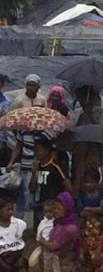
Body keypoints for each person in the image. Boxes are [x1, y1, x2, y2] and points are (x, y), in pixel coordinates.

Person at [8, 75, 47, 227]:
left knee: (37, 191)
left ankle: (36, 223)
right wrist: (12, 161)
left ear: (38, 87)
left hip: (39, 163)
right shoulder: (18, 101)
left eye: (34, 85)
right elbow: (17, 145)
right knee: (24, 192)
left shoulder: (43, 131)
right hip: (26, 163)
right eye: (28, 85)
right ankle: (24, 224)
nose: (31, 88)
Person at [31, 137, 71, 227]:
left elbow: (68, 186)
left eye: (38, 151)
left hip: (51, 206)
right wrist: (34, 173)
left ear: (47, 151)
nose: (36, 154)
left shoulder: (56, 166)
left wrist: (59, 201)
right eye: (35, 151)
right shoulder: (37, 167)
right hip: (39, 204)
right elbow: (31, 188)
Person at [76, 169, 103, 272]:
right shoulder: (81, 194)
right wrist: (95, 209)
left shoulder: (102, 193)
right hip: (85, 228)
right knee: (85, 254)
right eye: (86, 182)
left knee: (96, 253)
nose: (88, 185)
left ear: (96, 182)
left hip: (98, 228)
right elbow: (80, 211)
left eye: (91, 182)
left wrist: (88, 208)